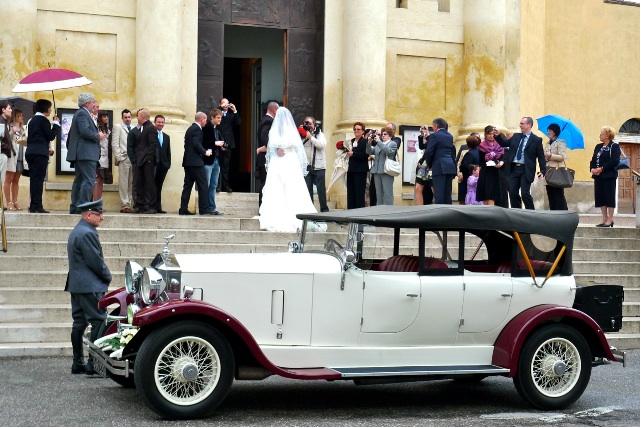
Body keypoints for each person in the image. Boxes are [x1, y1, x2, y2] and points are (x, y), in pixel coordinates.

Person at [65, 199, 111, 374]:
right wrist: (107, 276)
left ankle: (78, 363)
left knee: (79, 323)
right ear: (89, 215)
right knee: (99, 321)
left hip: (77, 285)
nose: (102, 218)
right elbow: (96, 262)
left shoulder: (78, 231)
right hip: (89, 286)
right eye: (99, 214)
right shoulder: (87, 233)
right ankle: (94, 365)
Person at [259, 107, 316, 232]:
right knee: (281, 186)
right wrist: (279, 149)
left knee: (288, 186)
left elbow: (274, 146)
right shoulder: (289, 131)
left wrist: (279, 148)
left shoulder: (277, 131)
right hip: (287, 160)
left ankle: (281, 215)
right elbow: (291, 146)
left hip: (284, 161)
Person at [67, 93, 102, 214]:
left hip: (82, 154)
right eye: (93, 102)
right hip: (86, 154)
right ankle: (84, 206)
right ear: (87, 103)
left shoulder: (81, 113)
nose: (94, 105)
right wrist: (98, 136)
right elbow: (85, 131)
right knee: (88, 180)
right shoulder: (82, 113)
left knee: (80, 180)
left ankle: (76, 206)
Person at [502, 116, 546, 209]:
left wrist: (543, 170)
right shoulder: (516, 136)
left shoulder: (536, 140)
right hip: (514, 169)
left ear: (529, 125)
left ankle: (531, 214)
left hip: (526, 170)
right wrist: (497, 136)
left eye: (522, 123)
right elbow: (504, 143)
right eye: (520, 123)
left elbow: (541, 157)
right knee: (512, 192)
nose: (520, 125)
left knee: (525, 194)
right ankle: (516, 213)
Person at [26, 99, 60, 213]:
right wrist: (56, 124)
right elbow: (50, 136)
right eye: (49, 107)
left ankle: (33, 205)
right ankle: (37, 206)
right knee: (39, 180)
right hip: (40, 154)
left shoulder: (32, 120)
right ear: (45, 109)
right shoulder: (43, 120)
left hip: (31, 152)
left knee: (34, 180)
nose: (51, 110)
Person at [179, 112, 214, 215]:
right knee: (203, 185)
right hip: (196, 163)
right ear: (202, 119)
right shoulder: (197, 129)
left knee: (187, 186)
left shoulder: (191, 128)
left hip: (188, 163)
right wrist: (205, 152)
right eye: (206, 120)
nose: (206, 122)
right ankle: (204, 209)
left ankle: (183, 209)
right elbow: (196, 143)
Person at [590, 126, 621, 227]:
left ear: (607, 135)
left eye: (602, 133)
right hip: (598, 177)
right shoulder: (598, 146)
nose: (600, 135)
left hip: (609, 176)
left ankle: (610, 219)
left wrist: (602, 169)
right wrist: (592, 169)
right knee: (600, 198)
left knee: (609, 197)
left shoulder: (614, 146)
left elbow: (615, 161)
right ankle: (604, 219)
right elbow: (593, 160)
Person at [425, 117, 456, 204]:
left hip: (439, 166)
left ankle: (440, 215)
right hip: (449, 166)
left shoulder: (434, 135)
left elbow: (429, 152)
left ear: (436, 126)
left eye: (433, 126)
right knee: (447, 193)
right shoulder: (450, 136)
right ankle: (448, 214)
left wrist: (430, 164)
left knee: (439, 194)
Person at [301, 116, 328, 212]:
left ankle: (324, 210)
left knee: (321, 191)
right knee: (308, 190)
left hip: (319, 166)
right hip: (307, 167)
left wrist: (311, 137)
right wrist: (302, 134)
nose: (307, 125)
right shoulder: (303, 135)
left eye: (309, 123)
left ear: (314, 124)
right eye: (305, 123)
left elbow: (321, 145)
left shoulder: (319, 134)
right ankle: (310, 211)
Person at [133, 109, 156, 214]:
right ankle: (142, 205)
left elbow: (152, 146)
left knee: (148, 183)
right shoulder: (146, 127)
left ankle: (148, 205)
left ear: (142, 117)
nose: (137, 118)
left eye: (138, 116)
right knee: (141, 183)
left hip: (147, 161)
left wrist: (147, 159)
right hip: (143, 161)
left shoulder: (150, 128)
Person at [367, 128, 398, 205]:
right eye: (382, 134)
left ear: (390, 135)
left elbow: (389, 152)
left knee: (387, 193)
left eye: (385, 134)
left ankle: (388, 212)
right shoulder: (379, 144)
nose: (383, 136)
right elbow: (369, 151)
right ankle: (379, 212)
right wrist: (369, 142)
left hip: (386, 171)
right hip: (377, 172)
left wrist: (379, 142)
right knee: (378, 194)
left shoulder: (392, 143)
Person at [111, 109, 134, 213]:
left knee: (131, 182)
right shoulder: (118, 127)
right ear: (122, 118)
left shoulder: (134, 128)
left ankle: (130, 202)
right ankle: (125, 204)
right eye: (125, 117)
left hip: (133, 159)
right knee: (123, 182)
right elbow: (114, 144)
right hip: (124, 158)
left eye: (129, 117)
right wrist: (119, 157)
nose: (128, 119)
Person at [256, 101, 278, 207]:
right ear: (274, 110)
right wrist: (273, 147)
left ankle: (265, 206)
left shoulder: (266, 120)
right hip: (265, 158)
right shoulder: (268, 121)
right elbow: (265, 138)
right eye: (277, 110)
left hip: (265, 156)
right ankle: (262, 207)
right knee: (265, 183)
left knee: (267, 183)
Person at [476, 126, 506, 205]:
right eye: (489, 134)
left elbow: (504, 157)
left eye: (493, 134)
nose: (491, 136)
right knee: (488, 197)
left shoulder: (499, 145)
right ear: (485, 134)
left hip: (498, 173)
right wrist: (491, 163)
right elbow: (481, 161)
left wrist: (501, 162)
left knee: (497, 197)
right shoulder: (481, 146)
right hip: (487, 173)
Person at [202, 109, 224, 215]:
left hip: (216, 160)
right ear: (212, 118)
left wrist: (222, 146)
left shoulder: (217, 129)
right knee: (206, 184)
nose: (220, 120)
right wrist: (216, 143)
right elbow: (205, 143)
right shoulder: (207, 127)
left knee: (214, 185)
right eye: (218, 118)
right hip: (208, 161)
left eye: (220, 117)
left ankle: (212, 207)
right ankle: (205, 207)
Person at [3, 109, 26, 210]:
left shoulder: (24, 128)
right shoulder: (9, 126)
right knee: (9, 179)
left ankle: (15, 201)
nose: (21, 117)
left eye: (22, 115)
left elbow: (25, 141)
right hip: (12, 156)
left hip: (21, 157)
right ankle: (9, 202)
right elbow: (5, 139)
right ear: (14, 117)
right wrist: (12, 131)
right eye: (19, 116)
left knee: (16, 180)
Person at [544, 123, 569, 210]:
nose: (548, 132)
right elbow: (545, 157)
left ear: (554, 132)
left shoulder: (561, 142)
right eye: (548, 130)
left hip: (557, 172)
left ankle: (563, 214)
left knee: (558, 195)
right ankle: (554, 215)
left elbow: (562, 157)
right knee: (550, 194)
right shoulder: (547, 143)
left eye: (550, 130)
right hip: (548, 172)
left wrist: (550, 156)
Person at [217, 97, 240, 193]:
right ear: (221, 105)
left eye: (227, 103)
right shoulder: (218, 114)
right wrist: (220, 111)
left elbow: (238, 123)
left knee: (226, 166)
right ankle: (218, 186)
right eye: (224, 103)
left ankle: (226, 186)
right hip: (218, 143)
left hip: (229, 144)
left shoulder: (231, 115)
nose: (226, 105)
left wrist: (235, 111)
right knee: (217, 166)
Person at [346, 122, 369, 209]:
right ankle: (350, 212)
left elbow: (365, 155)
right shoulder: (351, 141)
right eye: (355, 129)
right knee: (350, 192)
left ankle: (359, 214)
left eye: (358, 129)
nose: (356, 131)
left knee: (359, 193)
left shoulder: (365, 142)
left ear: (363, 131)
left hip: (360, 171)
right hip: (351, 170)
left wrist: (353, 154)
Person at [126, 108, 144, 210]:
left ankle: (144, 204)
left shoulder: (149, 130)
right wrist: (133, 160)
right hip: (137, 162)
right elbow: (130, 147)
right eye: (139, 116)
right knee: (136, 183)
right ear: (137, 117)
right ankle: (137, 204)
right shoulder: (133, 132)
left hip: (146, 163)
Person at [153, 115, 171, 213]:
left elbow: (168, 152)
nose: (160, 124)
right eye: (158, 122)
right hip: (153, 166)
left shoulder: (167, 137)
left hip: (163, 166)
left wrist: (168, 164)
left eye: (162, 122)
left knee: (159, 187)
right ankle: (152, 207)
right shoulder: (151, 135)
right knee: (152, 186)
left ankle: (158, 208)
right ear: (155, 123)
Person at [458, 134, 481, 204]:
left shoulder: (469, 154)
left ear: (468, 144)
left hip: (470, 179)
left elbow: (465, 166)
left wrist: (461, 168)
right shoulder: (479, 152)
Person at [0, 102, 15, 208]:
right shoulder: (1, 122)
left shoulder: (4, 122)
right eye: (9, 108)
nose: (11, 110)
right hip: (2, 153)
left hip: (5, 153)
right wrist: (6, 147)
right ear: (3, 110)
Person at [93, 111, 110, 200]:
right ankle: (95, 202)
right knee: (97, 180)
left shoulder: (107, 129)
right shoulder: (97, 129)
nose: (106, 118)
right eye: (104, 116)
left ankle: (98, 202)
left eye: (107, 116)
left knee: (101, 181)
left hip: (105, 158)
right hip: (98, 158)